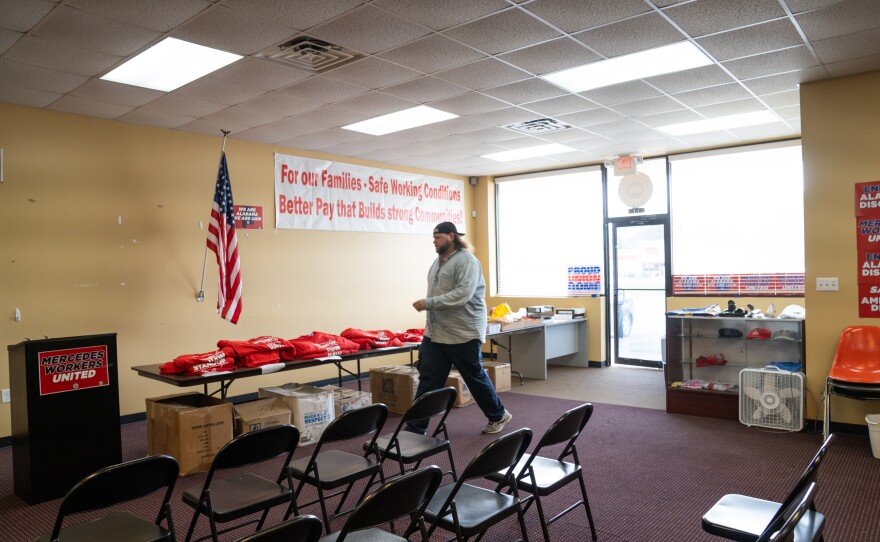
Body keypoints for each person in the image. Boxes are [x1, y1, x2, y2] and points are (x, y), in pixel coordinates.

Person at [410, 221, 511, 434]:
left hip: (462, 333)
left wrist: (427, 303)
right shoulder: (437, 263)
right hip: (437, 334)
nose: (434, 241)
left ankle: (498, 415)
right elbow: (437, 293)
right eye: (434, 237)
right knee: (428, 380)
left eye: (438, 237)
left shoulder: (467, 261)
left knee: (473, 376)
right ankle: (415, 429)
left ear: (451, 237)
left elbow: (462, 295)